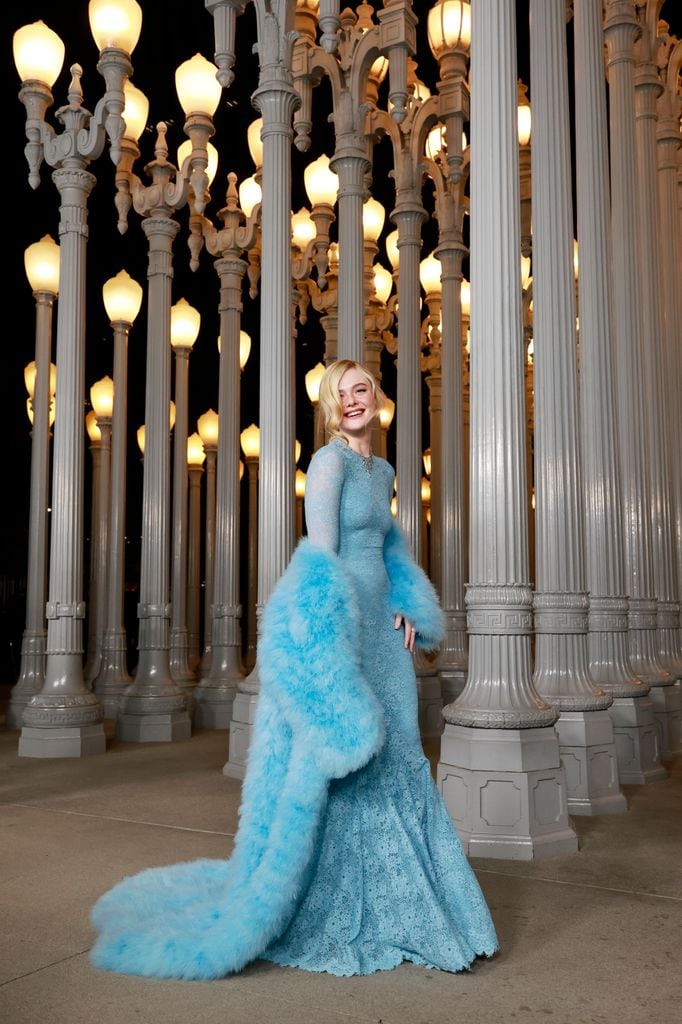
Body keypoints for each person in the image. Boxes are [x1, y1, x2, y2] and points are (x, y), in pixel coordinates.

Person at [89, 359, 498, 980]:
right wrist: (325, 642)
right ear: (334, 408)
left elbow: (388, 550)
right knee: (349, 760)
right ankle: (338, 910)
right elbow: (321, 555)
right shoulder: (329, 462)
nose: (354, 400)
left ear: (377, 399)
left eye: (362, 389)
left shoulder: (384, 469)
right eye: (343, 394)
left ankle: (419, 909)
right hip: (344, 629)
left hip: (386, 636)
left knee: (400, 757)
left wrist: (409, 605)